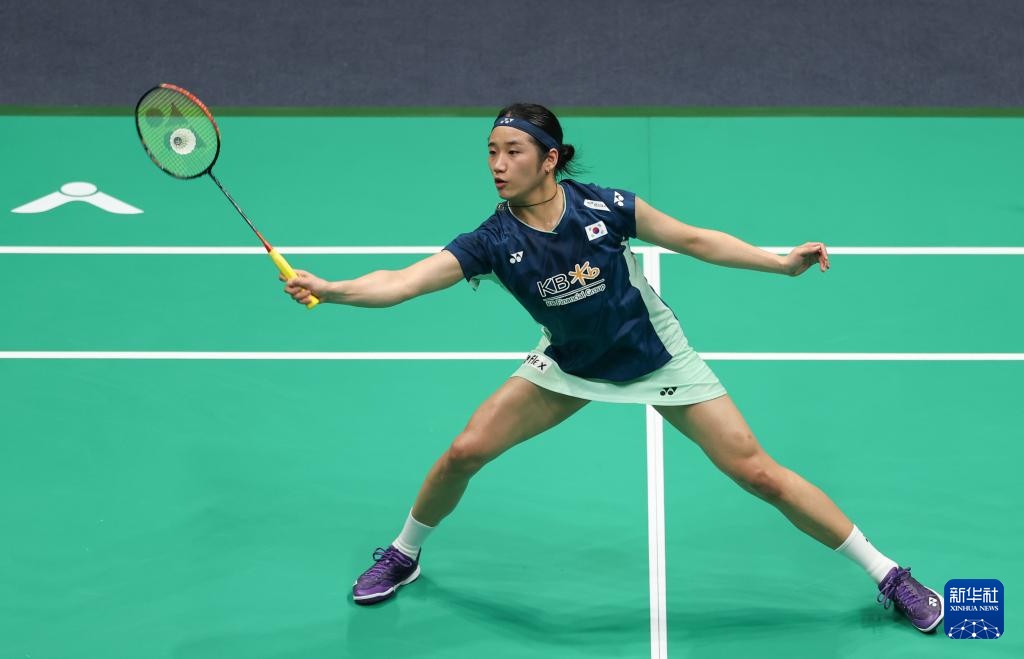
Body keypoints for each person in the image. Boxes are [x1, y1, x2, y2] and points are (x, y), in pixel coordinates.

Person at [282, 103, 943, 632]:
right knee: (463, 451)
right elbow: (404, 281)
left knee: (760, 474)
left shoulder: (605, 207)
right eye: (491, 151)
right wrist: (333, 289)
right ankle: (404, 552)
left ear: (550, 158)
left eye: (512, 151)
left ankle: (888, 575)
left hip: (656, 358)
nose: (498, 165)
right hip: (570, 365)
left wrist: (778, 262)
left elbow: (693, 238)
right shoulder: (492, 240)